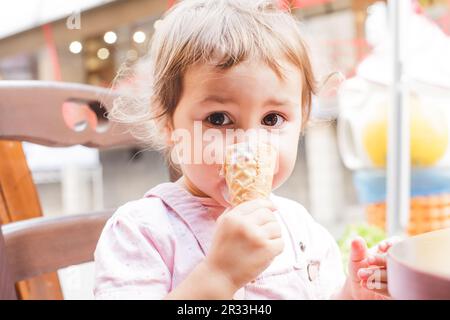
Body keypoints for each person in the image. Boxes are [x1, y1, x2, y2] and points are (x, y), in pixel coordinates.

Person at [94, 0, 394, 299]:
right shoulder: (142, 232)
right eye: (219, 119)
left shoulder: (300, 227)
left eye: (272, 119)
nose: (250, 144)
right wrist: (219, 276)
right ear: (167, 122)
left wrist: (353, 294)